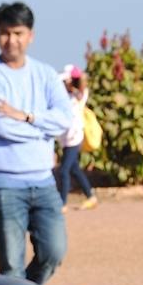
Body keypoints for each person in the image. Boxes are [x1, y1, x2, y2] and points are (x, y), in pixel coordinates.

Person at [0, 2, 71, 284]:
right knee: (11, 268)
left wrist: (27, 116)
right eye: (5, 33)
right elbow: (2, 126)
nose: (11, 40)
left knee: (54, 252)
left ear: (31, 35)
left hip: (43, 181)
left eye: (18, 33)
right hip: (3, 184)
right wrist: (44, 128)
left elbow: (66, 119)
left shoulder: (46, 74)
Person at [56, 64, 98, 212]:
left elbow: (80, 96)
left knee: (64, 170)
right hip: (65, 138)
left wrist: (71, 86)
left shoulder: (79, 93)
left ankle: (62, 203)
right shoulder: (64, 95)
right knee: (74, 169)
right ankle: (90, 196)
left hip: (74, 137)